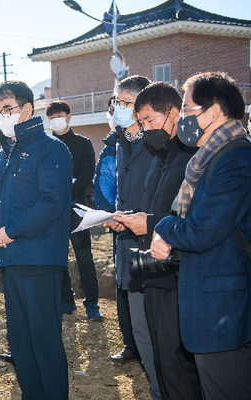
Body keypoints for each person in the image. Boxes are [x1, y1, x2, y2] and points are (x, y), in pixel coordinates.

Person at [151, 72, 251, 399]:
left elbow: (200, 232)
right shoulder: (209, 159)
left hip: (223, 312)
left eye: (189, 109)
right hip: (214, 306)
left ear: (214, 110)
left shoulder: (234, 158)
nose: (184, 118)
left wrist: (163, 226)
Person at [112, 82, 201, 399]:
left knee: (177, 362)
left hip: (173, 271)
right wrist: (130, 221)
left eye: (149, 120)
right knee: (160, 355)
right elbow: (154, 205)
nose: (146, 127)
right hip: (152, 265)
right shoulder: (163, 155)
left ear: (174, 114)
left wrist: (145, 223)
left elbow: (188, 219)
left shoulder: (191, 158)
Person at [0, 80, 72, 400]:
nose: (2, 116)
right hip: (10, 258)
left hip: (39, 257)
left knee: (44, 340)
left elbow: (53, 202)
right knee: (20, 341)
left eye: (7, 109)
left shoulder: (51, 148)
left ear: (27, 108)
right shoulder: (6, 152)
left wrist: (11, 231)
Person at [105, 75, 162, 400]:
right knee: (141, 331)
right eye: (119, 102)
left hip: (154, 247)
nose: (121, 108)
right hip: (128, 247)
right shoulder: (121, 143)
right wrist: (115, 216)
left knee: (157, 334)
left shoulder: (157, 144)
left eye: (127, 102)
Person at [46, 100, 102, 321]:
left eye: (58, 115)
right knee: (58, 258)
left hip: (76, 209)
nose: (55, 120)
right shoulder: (47, 145)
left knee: (84, 258)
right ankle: (66, 300)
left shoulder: (82, 143)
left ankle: (92, 304)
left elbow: (88, 173)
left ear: (68, 116)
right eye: (51, 117)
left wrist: (66, 193)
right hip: (52, 212)